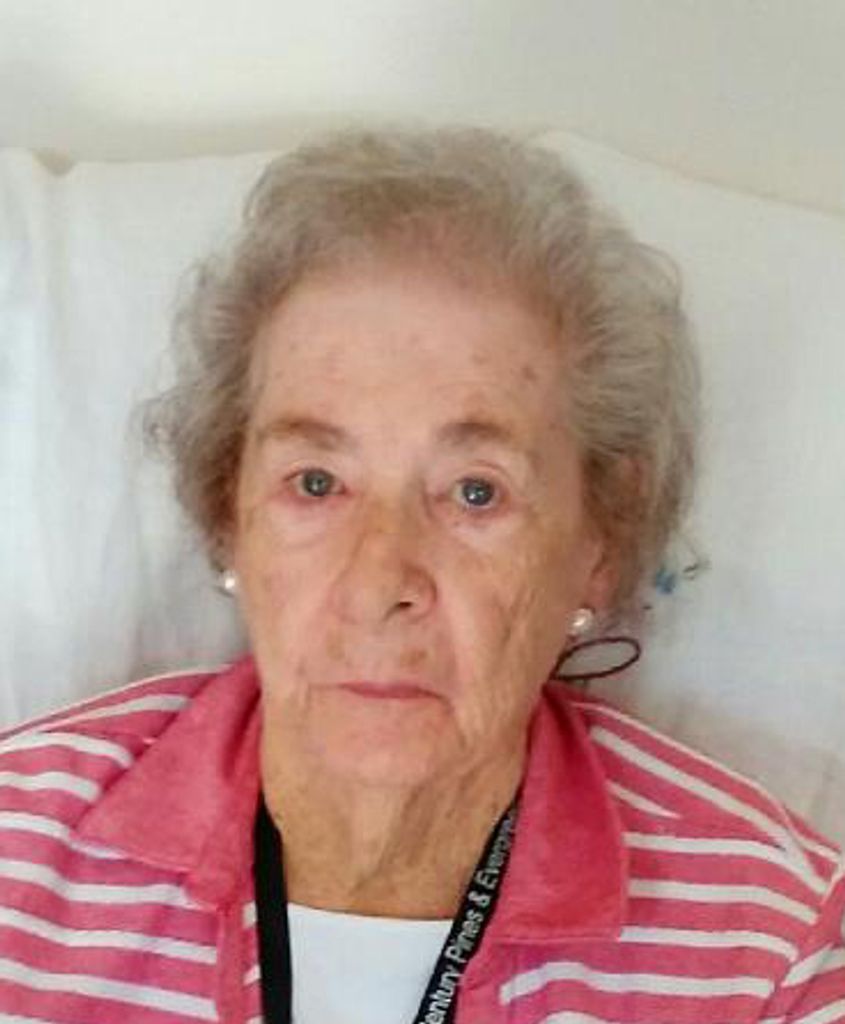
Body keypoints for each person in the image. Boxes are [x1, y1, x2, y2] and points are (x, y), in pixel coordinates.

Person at [0, 126, 842, 1024]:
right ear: (226, 515)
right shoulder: (15, 861)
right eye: (315, 482)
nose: (378, 585)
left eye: (475, 492)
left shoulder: (774, 950)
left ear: (599, 541)